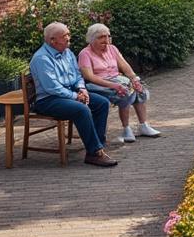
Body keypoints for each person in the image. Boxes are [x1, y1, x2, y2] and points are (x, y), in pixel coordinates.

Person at [29, 21, 117, 167]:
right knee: (81, 109)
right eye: (65, 36)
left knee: (102, 103)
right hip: (49, 100)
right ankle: (95, 153)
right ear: (52, 40)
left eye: (68, 34)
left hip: (70, 92)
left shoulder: (67, 52)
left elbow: (77, 74)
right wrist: (76, 96)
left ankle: (97, 146)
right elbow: (52, 87)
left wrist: (82, 89)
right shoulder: (41, 59)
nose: (69, 38)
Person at [78, 23, 161, 144]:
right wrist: (113, 85)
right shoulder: (85, 53)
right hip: (99, 84)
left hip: (117, 79)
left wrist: (134, 79)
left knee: (140, 90)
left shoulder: (112, 48)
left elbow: (124, 65)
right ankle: (126, 129)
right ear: (92, 39)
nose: (106, 40)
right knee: (125, 93)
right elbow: (89, 76)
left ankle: (143, 125)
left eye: (108, 36)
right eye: (101, 37)